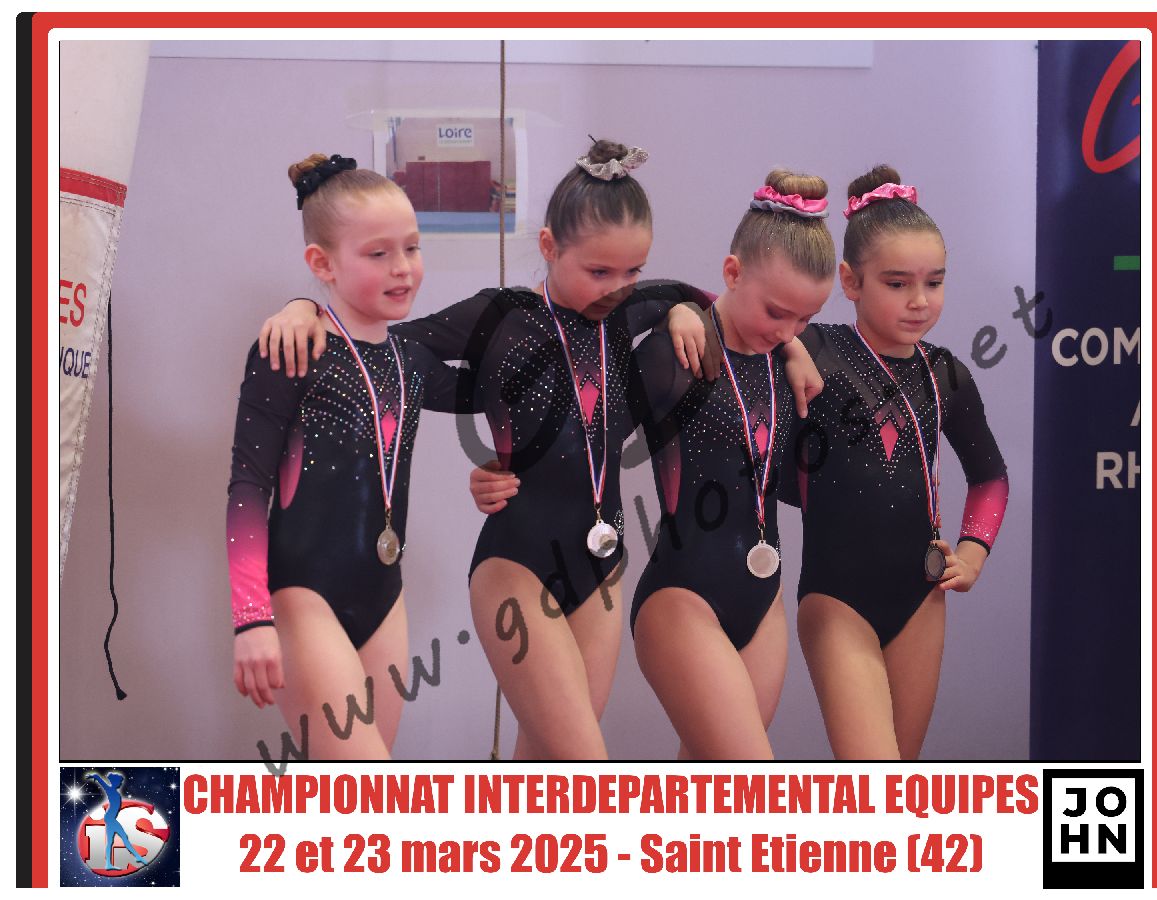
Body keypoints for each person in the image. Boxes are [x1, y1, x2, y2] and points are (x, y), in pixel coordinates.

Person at [256, 140, 745, 760]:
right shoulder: (503, 316)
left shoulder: (631, 312)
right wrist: (305, 305)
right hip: (516, 565)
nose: (618, 289)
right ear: (549, 247)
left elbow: (700, 296)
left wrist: (682, 311)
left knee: (547, 766)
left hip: (601, 569)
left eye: (632, 272)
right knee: (583, 761)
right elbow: (386, 344)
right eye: (599, 272)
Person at [472, 170, 834, 760]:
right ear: (733, 273)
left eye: (805, 319)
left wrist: (796, 352)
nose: (788, 329)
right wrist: (501, 465)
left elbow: (792, 482)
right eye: (777, 312)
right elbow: (585, 438)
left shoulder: (795, 355)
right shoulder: (674, 355)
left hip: (762, 598)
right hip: (682, 596)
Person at [226, 153, 474, 759]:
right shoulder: (291, 350)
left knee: (352, 797)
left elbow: (503, 381)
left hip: (384, 595)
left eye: (412, 247)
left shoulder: (410, 359)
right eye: (378, 253)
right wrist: (251, 617)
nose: (403, 268)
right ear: (322, 263)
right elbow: (248, 487)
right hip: (303, 596)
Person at [783, 165, 1009, 760]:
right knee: (873, 774)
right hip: (837, 598)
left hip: (920, 596)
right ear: (850, 281)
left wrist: (974, 551)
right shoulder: (815, 349)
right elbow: (739, 327)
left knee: (898, 781)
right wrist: (776, 343)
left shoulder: (946, 373)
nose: (919, 301)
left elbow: (989, 476)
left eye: (934, 282)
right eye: (897, 283)